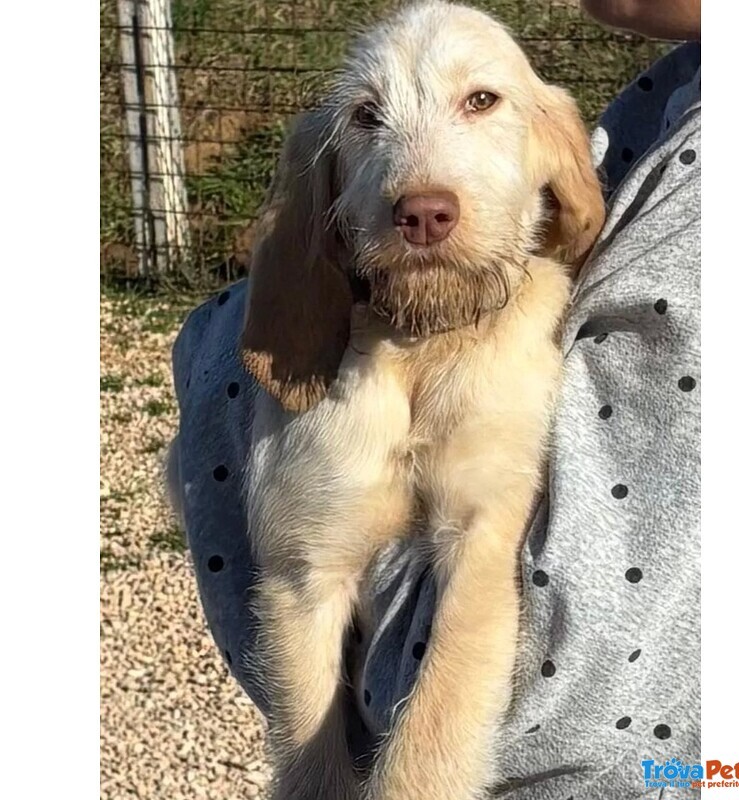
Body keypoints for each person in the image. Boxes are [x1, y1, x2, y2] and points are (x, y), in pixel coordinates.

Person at [169, 2, 700, 796]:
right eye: (368, 117)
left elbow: (575, 693)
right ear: (331, 191)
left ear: (554, 153)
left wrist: (214, 350)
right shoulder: (669, 92)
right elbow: (302, 574)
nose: (420, 191)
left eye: (480, 102)